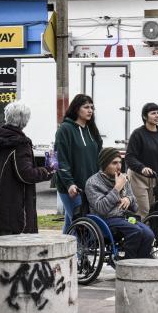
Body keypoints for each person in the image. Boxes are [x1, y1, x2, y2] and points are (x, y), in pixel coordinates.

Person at [0, 101, 53, 238]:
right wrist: (48, 170)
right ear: (24, 120)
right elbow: (26, 174)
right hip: (14, 210)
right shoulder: (20, 143)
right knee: (17, 252)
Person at [84, 147, 155, 259]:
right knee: (135, 231)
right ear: (104, 164)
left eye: (120, 162)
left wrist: (128, 199)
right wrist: (117, 188)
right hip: (105, 219)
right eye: (114, 163)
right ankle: (128, 264)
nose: (119, 166)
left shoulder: (123, 179)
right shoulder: (92, 183)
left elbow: (135, 206)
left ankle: (141, 263)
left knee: (148, 234)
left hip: (124, 217)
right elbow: (101, 208)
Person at [55, 94, 102, 233]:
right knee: (81, 226)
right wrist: (69, 183)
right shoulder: (64, 129)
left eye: (92, 107)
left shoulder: (91, 129)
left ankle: (64, 252)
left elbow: (99, 155)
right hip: (71, 187)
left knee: (72, 224)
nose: (90, 110)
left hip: (90, 186)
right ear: (76, 109)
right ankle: (78, 254)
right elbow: (59, 160)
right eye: (86, 107)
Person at [125, 103, 158, 217]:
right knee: (143, 211)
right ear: (145, 117)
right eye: (153, 113)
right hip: (138, 177)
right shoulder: (138, 134)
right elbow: (129, 157)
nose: (157, 116)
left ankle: (152, 233)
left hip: (154, 178)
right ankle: (140, 233)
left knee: (153, 210)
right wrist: (142, 168)